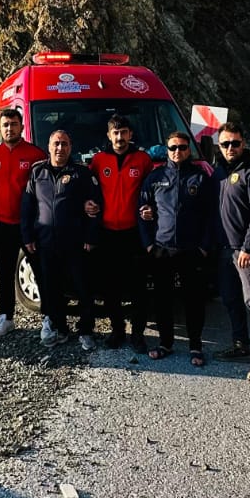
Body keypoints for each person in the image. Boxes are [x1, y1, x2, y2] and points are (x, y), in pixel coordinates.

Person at [138, 132, 217, 367]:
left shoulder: (200, 177)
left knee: (194, 300)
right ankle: (165, 343)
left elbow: (211, 215)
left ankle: (195, 346)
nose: (177, 152)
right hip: (162, 250)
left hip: (192, 250)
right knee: (163, 299)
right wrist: (149, 244)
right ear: (167, 149)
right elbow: (142, 210)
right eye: (172, 148)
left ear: (188, 150)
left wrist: (204, 247)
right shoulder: (155, 177)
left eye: (182, 147)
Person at [21, 129, 100, 350]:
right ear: (48, 146)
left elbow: (95, 207)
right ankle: (60, 328)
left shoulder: (81, 174)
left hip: (75, 243)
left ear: (70, 147)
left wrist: (91, 236)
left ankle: (85, 331)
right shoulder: (37, 172)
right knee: (51, 288)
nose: (60, 148)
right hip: (46, 242)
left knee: (83, 288)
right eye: (56, 143)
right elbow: (27, 207)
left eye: (64, 144)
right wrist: (27, 236)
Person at [213, 122, 250, 382]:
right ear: (219, 145)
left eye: (235, 143)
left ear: (243, 144)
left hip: (244, 252)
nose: (230, 148)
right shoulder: (219, 173)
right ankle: (240, 344)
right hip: (224, 250)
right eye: (225, 143)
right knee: (230, 299)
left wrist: (249, 247)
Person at [90, 115, 153, 351]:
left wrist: (150, 209)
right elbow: (89, 189)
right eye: (115, 133)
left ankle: (138, 334)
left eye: (124, 132)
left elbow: (152, 192)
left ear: (130, 134)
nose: (119, 137)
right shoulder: (98, 160)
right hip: (108, 234)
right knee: (111, 287)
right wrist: (88, 203)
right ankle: (117, 331)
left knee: (138, 287)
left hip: (133, 233)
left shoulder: (143, 160)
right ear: (108, 135)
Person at [0, 107, 45, 338]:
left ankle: (49, 318)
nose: (9, 128)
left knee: (41, 272)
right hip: (3, 224)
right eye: (5, 125)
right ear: (0, 128)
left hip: (29, 225)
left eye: (13, 124)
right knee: (4, 273)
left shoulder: (35, 155)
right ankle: (6, 317)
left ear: (22, 127)